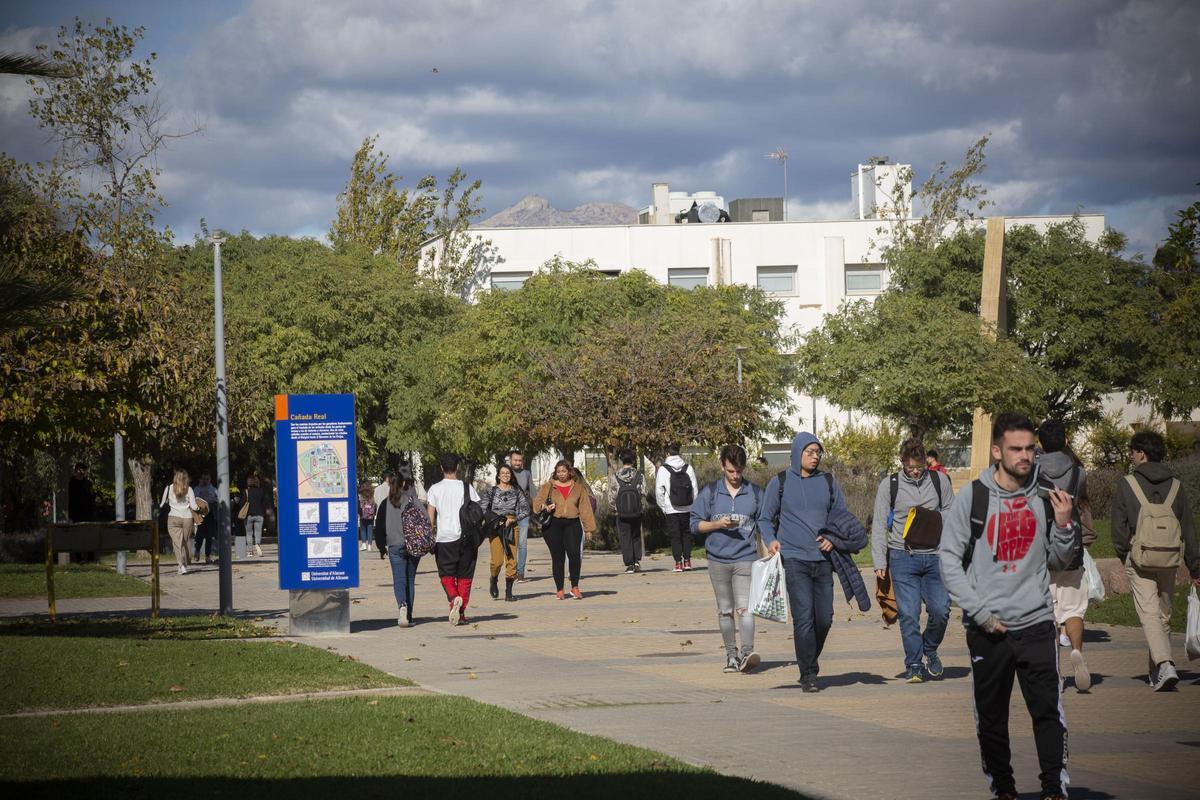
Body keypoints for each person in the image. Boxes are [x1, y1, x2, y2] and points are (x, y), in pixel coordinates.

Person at [939, 412, 1077, 800]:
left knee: (1048, 713)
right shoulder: (974, 496)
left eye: (1030, 448)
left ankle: (1054, 789)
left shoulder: (1045, 495)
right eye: (1016, 449)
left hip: (1035, 624)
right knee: (993, 720)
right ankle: (1004, 790)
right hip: (990, 629)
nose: (1025, 456)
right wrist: (980, 613)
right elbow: (948, 559)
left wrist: (1065, 525)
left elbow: (1060, 561)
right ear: (997, 451)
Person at [756, 432, 848, 692]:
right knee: (804, 617)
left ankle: (808, 658)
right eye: (810, 452)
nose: (815, 457)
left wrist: (833, 537)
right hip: (794, 558)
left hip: (823, 560)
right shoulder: (781, 482)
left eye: (818, 452)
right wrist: (771, 540)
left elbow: (841, 516)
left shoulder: (828, 481)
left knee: (825, 618)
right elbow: (764, 518)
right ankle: (808, 673)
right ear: (797, 453)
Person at [1111, 430, 1200, 691]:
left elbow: (1118, 527)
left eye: (1133, 450)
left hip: (1139, 557)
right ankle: (1157, 672)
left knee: (1149, 612)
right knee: (1163, 614)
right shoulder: (1177, 485)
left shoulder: (1127, 484)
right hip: (1170, 558)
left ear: (1141, 453)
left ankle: (1164, 664)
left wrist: (1123, 553)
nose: (1131, 455)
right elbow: (1189, 528)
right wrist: (1195, 566)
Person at [871, 438, 954, 683]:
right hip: (902, 556)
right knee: (908, 613)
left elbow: (952, 510)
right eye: (910, 467)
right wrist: (879, 562)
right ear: (902, 463)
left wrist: (933, 519)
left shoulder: (940, 481)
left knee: (941, 610)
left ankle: (930, 648)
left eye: (919, 466)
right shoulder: (890, 485)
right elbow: (878, 524)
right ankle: (914, 663)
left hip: (935, 555)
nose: (915, 471)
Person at [691, 444, 763, 673]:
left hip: (745, 557)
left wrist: (769, 547)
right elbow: (694, 524)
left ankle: (747, 653)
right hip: (717, 559)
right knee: (725, 610)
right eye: (731, 471)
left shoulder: (755, 493)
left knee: (745, 608)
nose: (735, 476)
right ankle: (730, 656)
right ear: (722, 466)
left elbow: (765, 523)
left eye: (739, 471)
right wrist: (716, 524)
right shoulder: (710, 493)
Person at [1037, 419, 1097, 693]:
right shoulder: (1079, 473)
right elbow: (1081, 506)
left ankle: (1055, 671)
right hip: (1071, 546)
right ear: (1065, 441)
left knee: (1047, 613)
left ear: (1040, 443)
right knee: (1073, 609)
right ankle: (1077, 651)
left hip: (1041, 550)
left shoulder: (1031, 472)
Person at [426, 453, 482, 626]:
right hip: (466, 538)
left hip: (444, 539)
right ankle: (461, 612)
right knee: (465, 576)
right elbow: (477, 511)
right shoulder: (467, 487)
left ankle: (453, 597)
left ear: (441, 468)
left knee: (446, 574)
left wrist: (430, 537)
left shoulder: (434, 489)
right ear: (457, 467)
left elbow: (430, 517)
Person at [533, 460, 597, 599]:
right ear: (555, 473)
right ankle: (560, 589)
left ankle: (575, 587)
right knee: (558, 557)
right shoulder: (548, 486)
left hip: (573, 524)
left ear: (569, 472)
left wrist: (589, 529)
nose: (561, 474)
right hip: (553, 525)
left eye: (564, 471)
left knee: (574, 555)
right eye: (558, 471)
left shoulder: (578, 488)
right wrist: (545, 507)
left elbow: (585, 509)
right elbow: (536, 504)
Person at [373, 467, 424, 626]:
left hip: (394, 545)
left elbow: (378, 528)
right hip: (413, 545)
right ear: (403, 483)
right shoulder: (412, 500)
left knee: (399, 579)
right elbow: (425, 520)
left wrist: (382, 548)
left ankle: (402, 605)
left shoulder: (384, 504)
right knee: (410, 579)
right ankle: (409, 615)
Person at [480, 463, 530, 602]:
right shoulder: (492, 491)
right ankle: (493, 579)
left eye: (508, 473)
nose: (505, 475)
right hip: (495, 528)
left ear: (511, 475)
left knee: (512, 560)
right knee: (496, 562)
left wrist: (514, 519)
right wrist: (495, 519)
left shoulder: (516, 491)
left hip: (511, 527)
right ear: (498, 475)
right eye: (503, 473)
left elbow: (526, 510)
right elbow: (482, 509)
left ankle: (509, 592)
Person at [656, 445, 698, 571]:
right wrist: (693, 505)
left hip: (671, 508)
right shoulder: (688, 468)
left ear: (667, 454)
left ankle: (678, 563)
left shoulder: (663, 470)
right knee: (686, 534)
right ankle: (687, 561)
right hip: (687, 508)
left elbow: (659, 491)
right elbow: (694, 489)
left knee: (675, 536)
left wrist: (664, 507)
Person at [607, 449, 645, 573]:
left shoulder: (616, 476)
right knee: (636, 536)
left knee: (625, 537)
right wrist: (641, 508)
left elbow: (612, 495)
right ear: (633, 460)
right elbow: (644, 493)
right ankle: (636, 561)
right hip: (636, 511)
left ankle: (629, 564)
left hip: (622, 513)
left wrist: (615, 509)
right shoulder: (639, 475)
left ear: (622, 460)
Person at [159, 469, 199, 575]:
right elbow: (194, 506)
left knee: (177, 543)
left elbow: (162, 504)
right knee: (185, 542)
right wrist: (200, 508)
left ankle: (181, 565)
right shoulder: (189, 489)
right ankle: (183, 565)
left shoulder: (168, 488)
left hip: (173, 518)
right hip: (187, 518)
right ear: (186, 478)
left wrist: (169, 501)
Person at [508, 450, 534, 581]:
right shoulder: (505, 472)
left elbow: (533, 492)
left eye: (520, 460)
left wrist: (540, 506)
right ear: (510, 460)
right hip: (508, 514)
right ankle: (510, 571)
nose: (518, 463)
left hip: (523, 513)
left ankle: (520, 573)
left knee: (522, 544)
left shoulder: (527, 473)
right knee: (510, 542)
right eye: (515, 460)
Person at [192, 472, 219, 564]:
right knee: (199, 535)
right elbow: (194, 499)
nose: (205, 481)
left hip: (210, 514)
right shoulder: (197, 488)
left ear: (210, 480)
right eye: (203, 479)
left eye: (207, 479)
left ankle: (207, 556)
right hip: (200, 514)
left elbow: (218, 499)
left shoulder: (214, 489)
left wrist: (214, 501)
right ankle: (197, 551)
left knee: (209, 536)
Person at [244, 471, 268, 557]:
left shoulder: (246, 492)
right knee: (258, 531)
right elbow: (264, 503)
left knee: (249, 533)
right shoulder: (261, 491)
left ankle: (250, 551)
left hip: (248, 515)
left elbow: (242, 503)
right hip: (259, 514)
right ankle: (257, 544)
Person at [359, 488, 377, 552]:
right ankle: (369, 546)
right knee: (370, 530)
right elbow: (375, 505)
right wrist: (373, 514)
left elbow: (360, 506)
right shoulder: (372, 496)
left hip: (363, 516)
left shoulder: (361, 496)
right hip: (370, 516)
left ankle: (364, 545)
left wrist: (360, 514)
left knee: (363, 529)